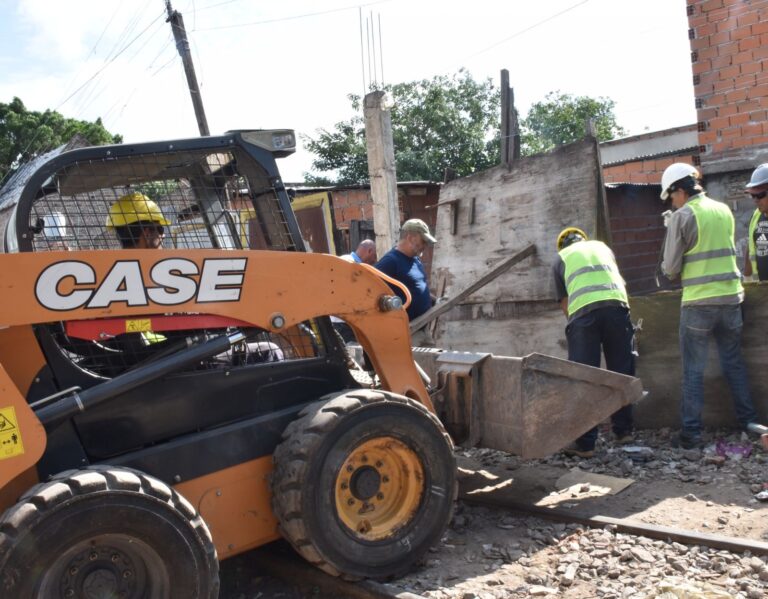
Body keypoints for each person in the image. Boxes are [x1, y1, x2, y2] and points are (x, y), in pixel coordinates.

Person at [659, 163, 758, 449]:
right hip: (731, 300)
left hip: (699, 304)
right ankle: (749, 422)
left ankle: (691, 434)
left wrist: (671, 231)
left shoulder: (682, 216)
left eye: (671, 196)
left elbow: (670, 269)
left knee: (693, 370)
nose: (672, 202)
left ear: (680, 190)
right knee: (734, 364)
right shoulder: (723, 209)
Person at [552, 227, 635, 458]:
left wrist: (575, 325)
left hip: (584, 316)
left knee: (584, 377)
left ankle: (586, 444)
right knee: (622, 371)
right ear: (583, 239)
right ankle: (624, 431)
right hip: (618, 309)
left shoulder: (561, 258)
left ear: (562, 245)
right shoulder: (603, 248)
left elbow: (566, 303)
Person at [375, 219, 436, 322]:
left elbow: (414, 287)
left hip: (422, 325)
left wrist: (434, 300)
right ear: (411, 238)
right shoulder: (390, 261)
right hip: (409, 330)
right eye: (423, 241)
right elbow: (370, 291)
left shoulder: (415, 259)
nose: (425, 246)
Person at [743, 163, 768, 281]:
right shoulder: (756, 216)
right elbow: (750, 248)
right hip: (762, 293)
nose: (756, 200)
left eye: (760, 195)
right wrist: (746, 281)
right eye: (753, 196)